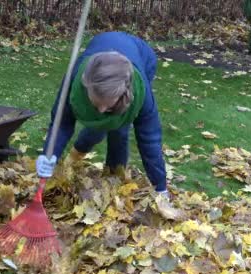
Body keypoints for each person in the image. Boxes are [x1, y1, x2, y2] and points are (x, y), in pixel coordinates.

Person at [37, 31, 170, 199]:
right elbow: (61, 123)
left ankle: (113, 177)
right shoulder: (74, 79)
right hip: (103, 45)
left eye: (108, 104)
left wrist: (160, 187)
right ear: (86, 85)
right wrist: (49, 156)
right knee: (100, 122)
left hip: (142, 56)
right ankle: (76, 153)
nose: (101, 110)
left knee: (118, 129)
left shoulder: (141, 94)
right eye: (96, 101)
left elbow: (149, 139)